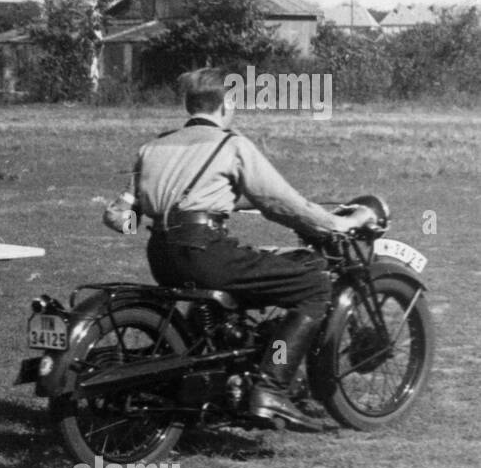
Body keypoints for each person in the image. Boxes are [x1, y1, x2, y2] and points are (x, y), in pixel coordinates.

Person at [103, 67, 373, 431]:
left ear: (190, 105)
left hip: (161, 254)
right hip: (205, 251)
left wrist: (154, 219)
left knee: (226, 290)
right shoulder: (231, 145)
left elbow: (121, 214)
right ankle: (271, 387)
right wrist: (336, 224)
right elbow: (281, 203)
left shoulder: (153, 147)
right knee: (313, 282)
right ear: (227, 103)